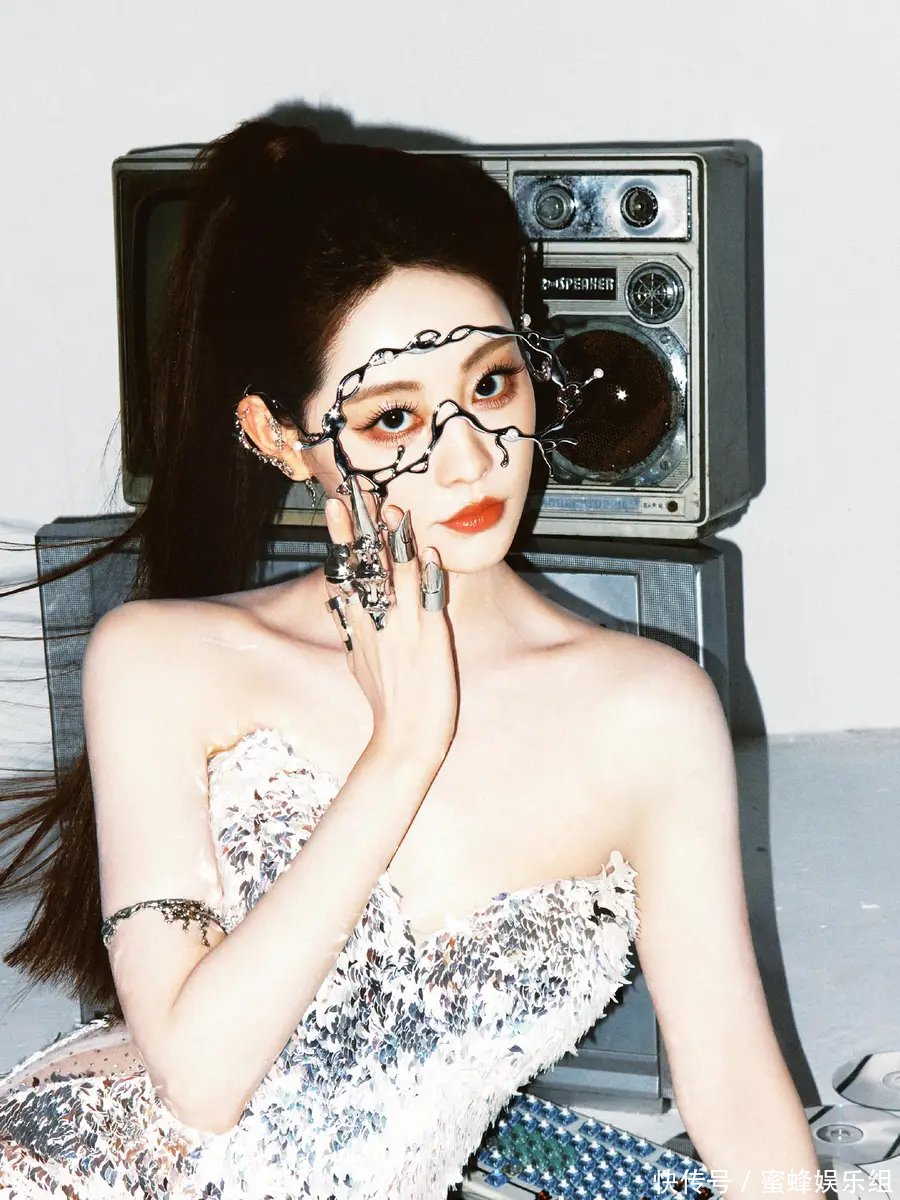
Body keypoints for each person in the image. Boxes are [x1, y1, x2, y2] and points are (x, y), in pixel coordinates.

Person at [0, 118, 819, 1198]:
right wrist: (403, 748)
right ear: (278, 437)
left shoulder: (648, 712)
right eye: (394, 418)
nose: (472, 457)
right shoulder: (161, 662)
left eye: (492, 384)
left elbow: (734, 1088)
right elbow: (199, 1081)